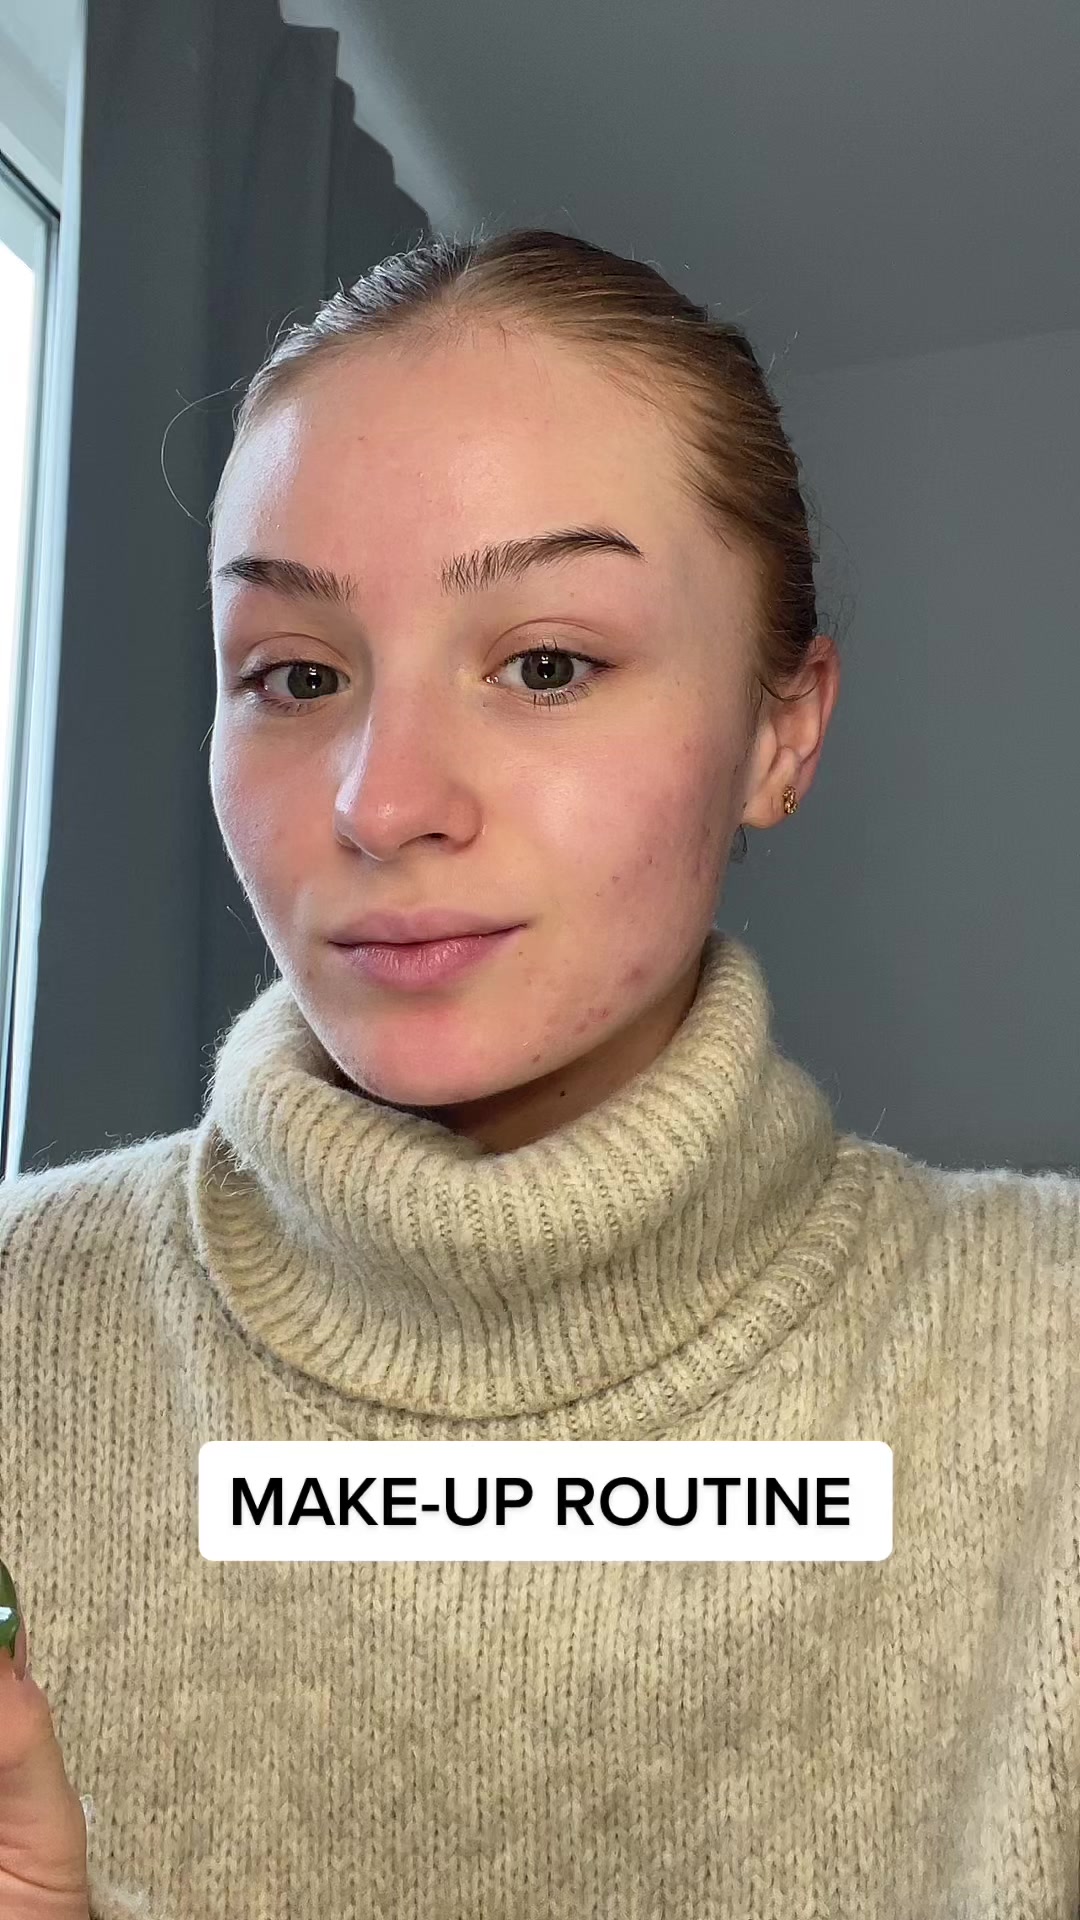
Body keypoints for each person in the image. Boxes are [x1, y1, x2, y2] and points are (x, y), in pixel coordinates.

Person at [0, 227, 1077, 1920]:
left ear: (782, 729)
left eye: (547, 665)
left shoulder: (1051, 1358)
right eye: (296, 676)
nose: (383, 801)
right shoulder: (18, 1324)